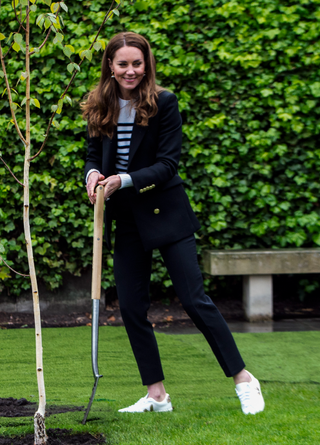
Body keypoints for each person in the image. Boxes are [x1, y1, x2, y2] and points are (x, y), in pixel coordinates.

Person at [82, 31, 265, 415]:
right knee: (132, 307)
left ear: (146, 64)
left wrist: (123, 180)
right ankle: (157, 394)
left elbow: (168, 165)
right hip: (127, 219)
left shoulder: (164, 102)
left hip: (166, 215)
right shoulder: (101, 104)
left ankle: (244, 379)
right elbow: (91, 154)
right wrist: (94, 175)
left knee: (194, 300)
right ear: (110, 67)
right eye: (122, 64)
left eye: (137, 63)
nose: (130, 70)